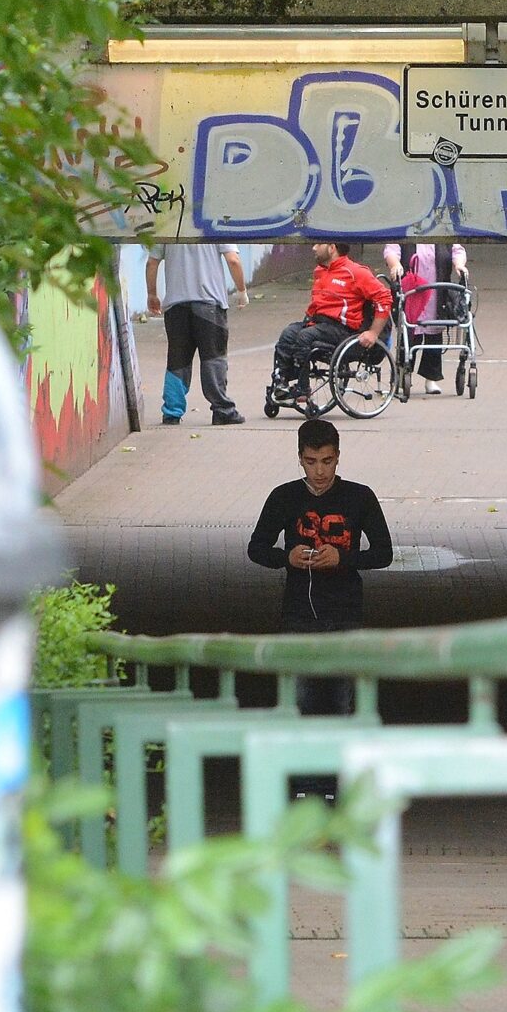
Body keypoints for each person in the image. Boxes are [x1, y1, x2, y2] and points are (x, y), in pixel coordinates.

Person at [246, 417, 393, 725]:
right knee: (299, 701)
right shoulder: (283, 497)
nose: (320, 471)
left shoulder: (360, 496)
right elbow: (256, 549)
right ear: (300, 459)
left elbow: (384, 553)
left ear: (338, 456)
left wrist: (343, 558)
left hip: (345, 613)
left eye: (327, 461)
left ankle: (341, 769)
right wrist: (289, 558)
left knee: (343, 701)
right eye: (311, 462)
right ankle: (302, 771)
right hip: (298, 613)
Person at [268, 241, 393, 403]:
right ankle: (282, 381)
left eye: (318, 244)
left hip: (343, 328)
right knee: (289, 333)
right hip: (320, 323)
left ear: (332, 248)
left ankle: (302, 387)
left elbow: (384, 298)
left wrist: (373, 332)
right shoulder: (320, 271)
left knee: (305, 337)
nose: (313, 248)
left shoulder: (356, 272)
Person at [145, 241, 247, 425]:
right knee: (213, 359)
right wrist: (242, 290)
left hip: (176, 306)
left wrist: (152, 294)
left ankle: (172, 412)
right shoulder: (215, 221)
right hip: (209, 304)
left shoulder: (169, 223)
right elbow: (233, 260)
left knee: (177, 361)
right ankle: (222, 410)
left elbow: (152, 262)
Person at [382, 241, 470, 394]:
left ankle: (431, 379)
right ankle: (404, 371)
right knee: (410, 334)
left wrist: (459, 265)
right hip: (412, 291)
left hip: (437, 292)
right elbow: (391, 249)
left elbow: (457, 251)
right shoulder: (406, 235)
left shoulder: (442, 235)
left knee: (435, 334)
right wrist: (395, 264)